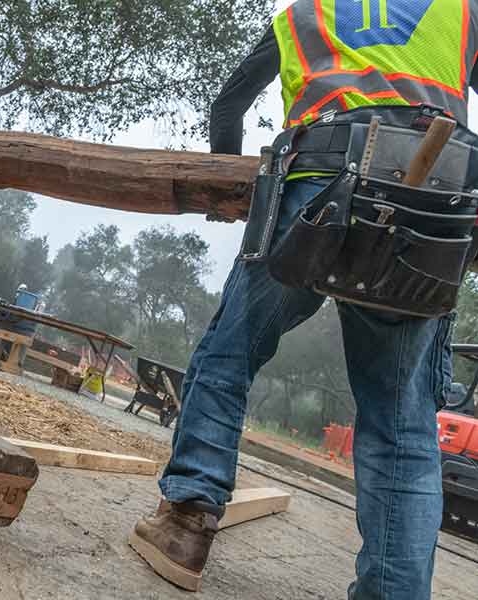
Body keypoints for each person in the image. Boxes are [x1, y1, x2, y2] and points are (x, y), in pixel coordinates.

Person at [129, 2, 478, 599]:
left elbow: (229, 103)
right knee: (401, 421)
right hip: (430, 206)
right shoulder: (462, 11)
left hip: (319, 185)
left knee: (231, 351)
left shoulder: (303, 15)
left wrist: (221, 184)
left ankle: (186, 523)